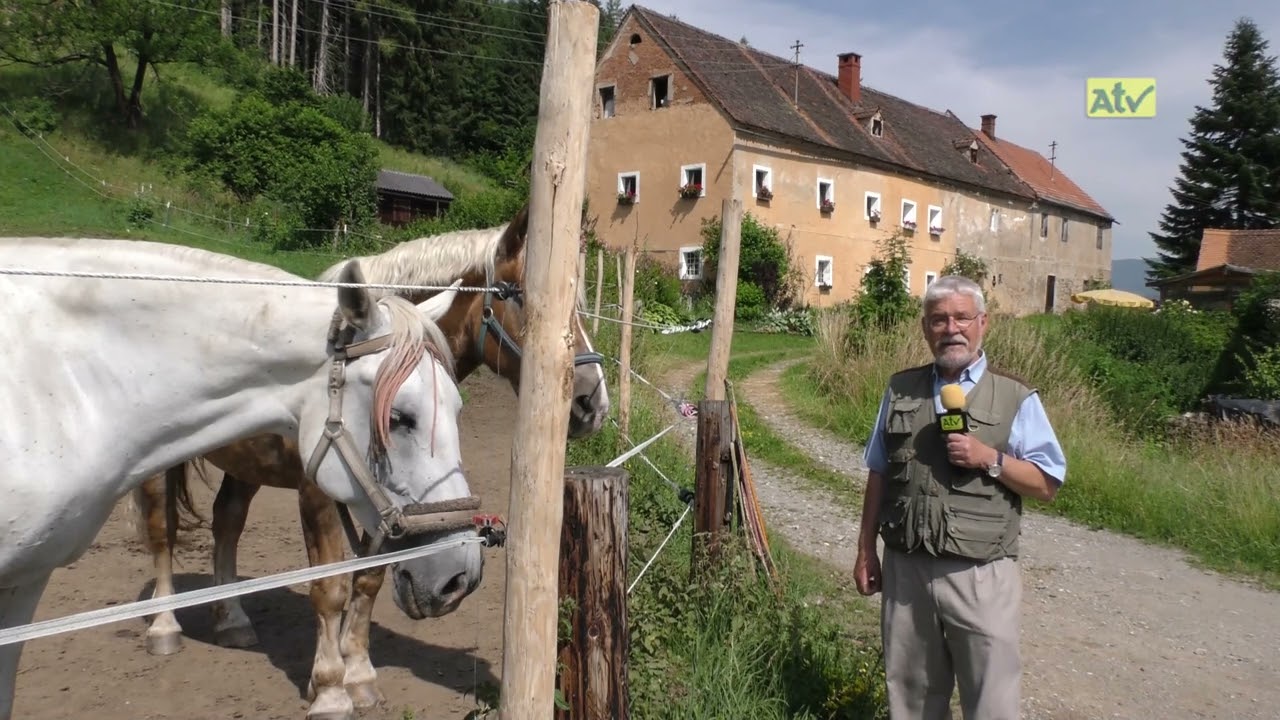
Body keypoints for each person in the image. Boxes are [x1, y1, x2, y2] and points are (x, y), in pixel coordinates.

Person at [853, 275, 1067, 720]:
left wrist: (990, 457)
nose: (951, 328)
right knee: (911, 700)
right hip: (906, 569)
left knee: (992, 702)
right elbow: (878, 471)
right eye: (938, 319)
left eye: (962, 317)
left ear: (982, 323)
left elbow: (1047, 483)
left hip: (982, 574)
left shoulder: (1016, 396)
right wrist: (864, 551)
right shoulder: (900, 388)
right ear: (925, 328)